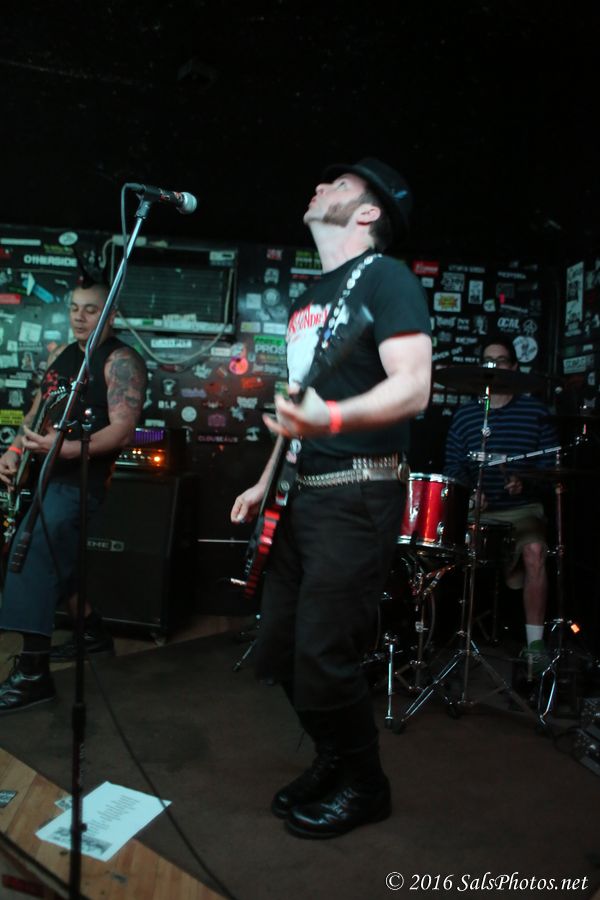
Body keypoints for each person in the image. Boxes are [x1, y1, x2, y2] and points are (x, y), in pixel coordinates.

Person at [231, 158, 432, 839]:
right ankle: (334, 758)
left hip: (360, 492)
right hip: (302, 495)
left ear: (369, 212)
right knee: (281, 649)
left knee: (324, 653)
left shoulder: (387, 278)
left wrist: (332, 421)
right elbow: (300, 412)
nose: (319, 187)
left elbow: (414, 387)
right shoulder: (307, 299)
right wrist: (266, 480)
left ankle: (367, 785)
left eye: (339, 185)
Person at [0, 281, 147, 714]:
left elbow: (122, 430)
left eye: (91, 310)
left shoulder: (120, 361)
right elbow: (36, 412)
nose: (80, 317)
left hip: (78, 481)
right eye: (74, 308)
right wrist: (14, 451)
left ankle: (33, 675)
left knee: (32, 559)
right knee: (59, 564)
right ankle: (93, 634)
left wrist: (64, 450)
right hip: (40, 474)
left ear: (111, 314)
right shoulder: (61, 356)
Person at [443, 336, 558, 676]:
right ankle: (446, 638)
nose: (494, 367)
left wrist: (526, 482)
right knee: (442, 549)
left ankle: (535, 646)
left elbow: (550, 469)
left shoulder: (536, 413)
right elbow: (453, 466)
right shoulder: (466, 416)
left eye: (501, 361)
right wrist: (471, 491)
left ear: (514, 367)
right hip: (478, 511)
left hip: (523, 509)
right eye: (488, 361)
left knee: (535, 551)